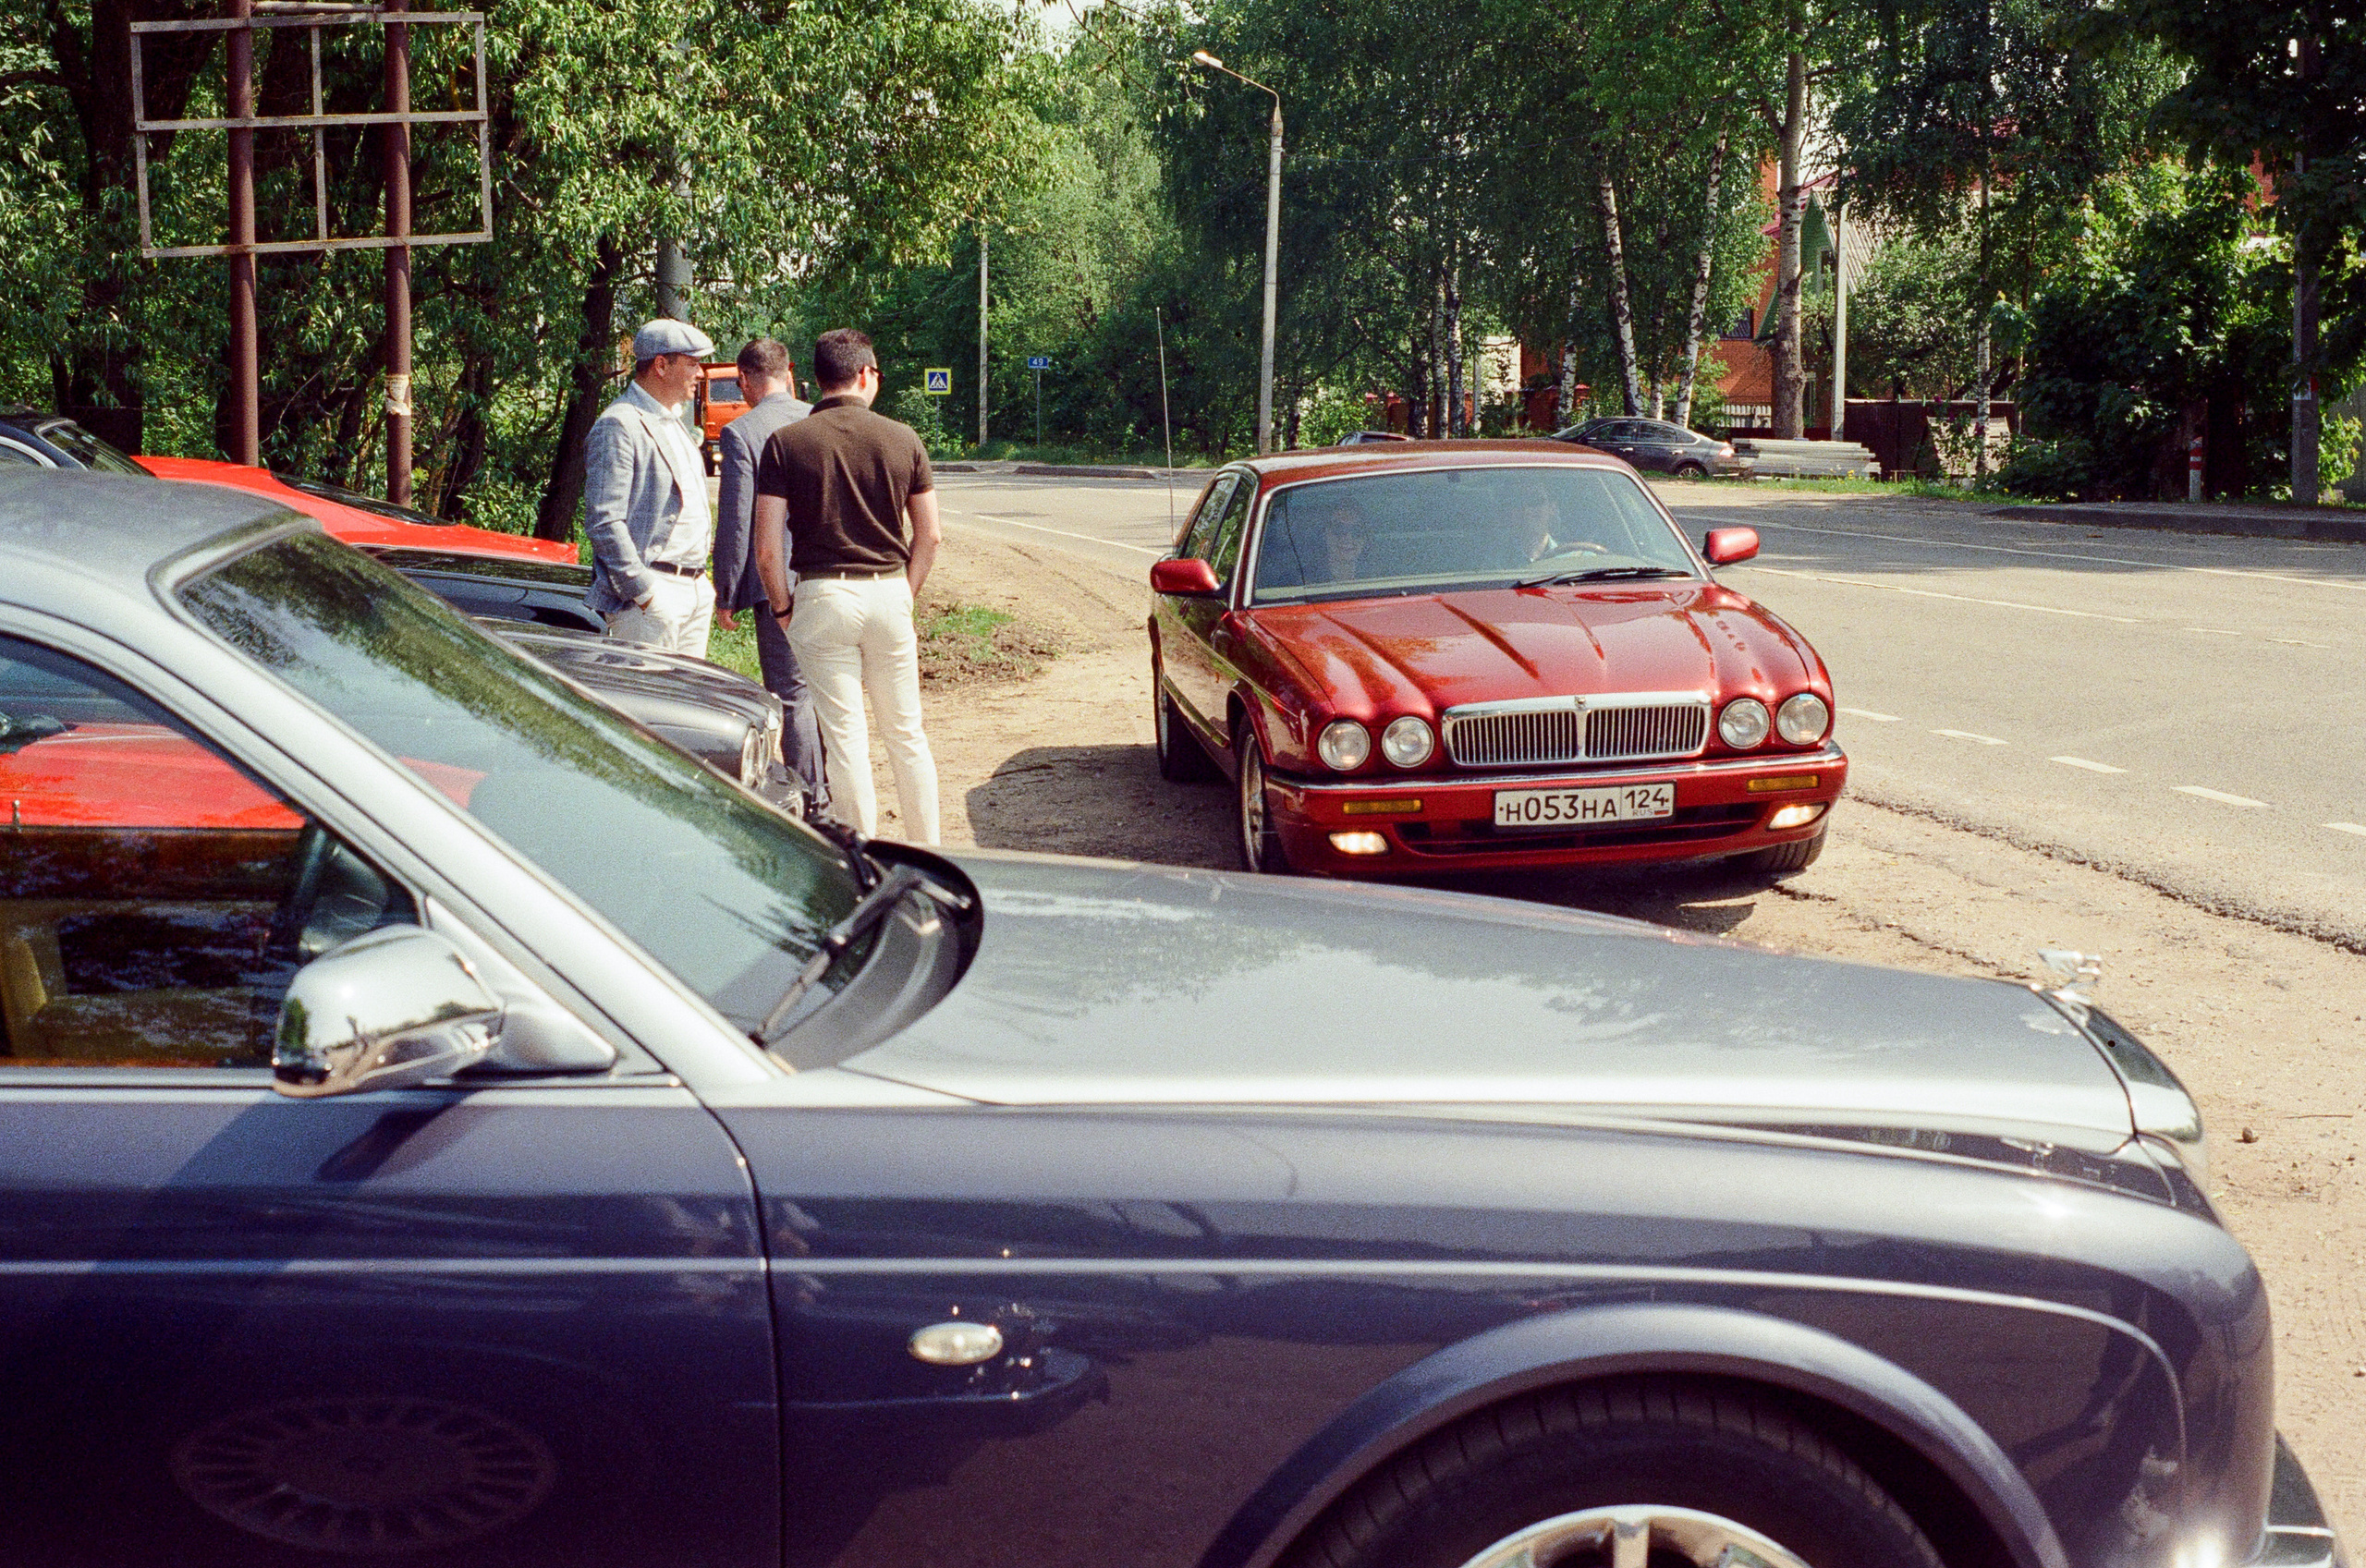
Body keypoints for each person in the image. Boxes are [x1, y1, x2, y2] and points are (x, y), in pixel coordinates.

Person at [750, 328, 942, 845]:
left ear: (816, 380)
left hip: (822, 596)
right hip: (888, 593)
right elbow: (931, 535)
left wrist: (783, 609)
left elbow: (767, 548)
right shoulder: (905, 439)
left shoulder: (785, 444)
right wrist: (905, 590)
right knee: (906, 734)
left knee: (845, 739)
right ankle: (931, 852)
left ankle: (862, 862)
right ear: (863, 374)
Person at [710, 338, 823, 807]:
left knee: (792, 693)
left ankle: (814, 800)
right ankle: (836, 788)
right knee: (827, 690)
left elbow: (738, 520)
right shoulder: (821, 417)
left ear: (745, 381)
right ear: (789, 373)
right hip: (832, 575)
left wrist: (727, 592)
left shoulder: (743, 432)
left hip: (778, 582)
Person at [582, 319, 718, 655]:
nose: (700, 374)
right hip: (655, 594)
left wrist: (703, 585)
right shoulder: (619, 424)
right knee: (649, 703)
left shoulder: (673, 420)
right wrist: (645, 592)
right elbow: (603, 521)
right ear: (660, 365)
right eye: (692, 363)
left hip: (694, 589)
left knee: (686, 704)